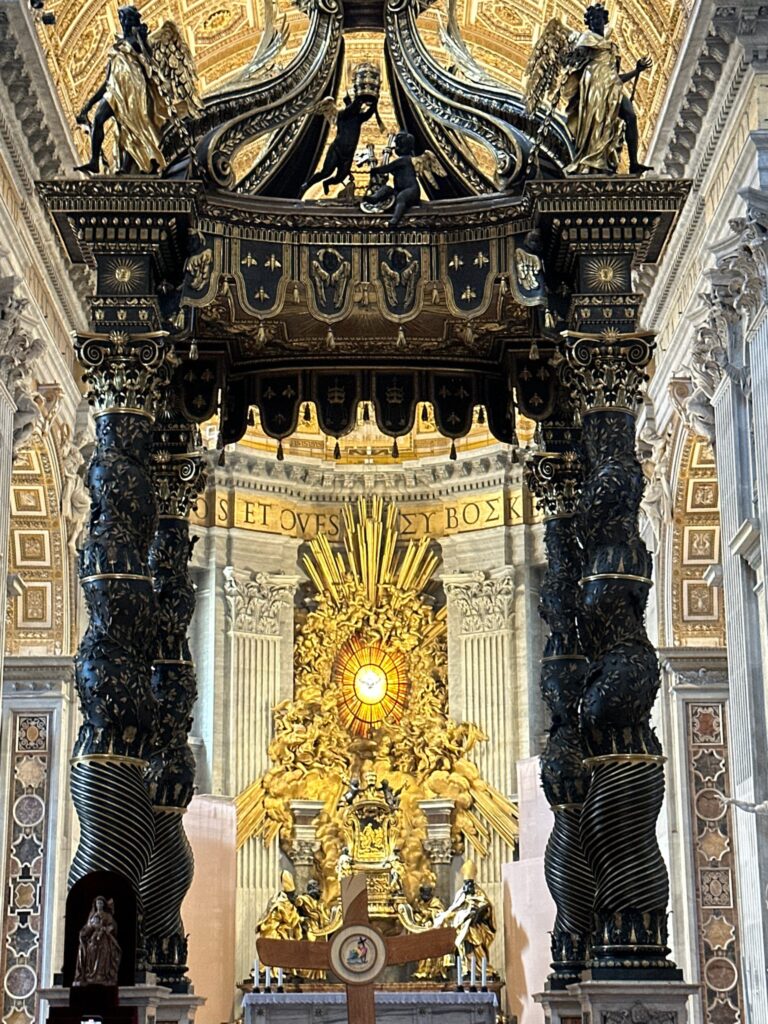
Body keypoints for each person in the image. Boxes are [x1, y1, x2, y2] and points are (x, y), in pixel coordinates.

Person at [75, 6, 171, 174]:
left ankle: (125, 168)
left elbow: (150, 60)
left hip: (134, 89)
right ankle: (94, 161)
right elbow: (107, 81)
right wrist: (88, 105)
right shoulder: (116, 49)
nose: (124, 23)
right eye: (123, 19)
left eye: (127, 19)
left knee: (130, 127)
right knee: (98, 118)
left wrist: (142, 38)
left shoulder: (137, 39)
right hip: (115, 90)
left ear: (133, 21)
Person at [562, 3, 652, 175]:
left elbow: (616, 78)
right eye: (592, 19)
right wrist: (571, 57)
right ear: (589, 23)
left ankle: (634, 163)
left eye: (598, 18)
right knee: (596, 122)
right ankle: (591, 159)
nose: (596, 22)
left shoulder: (612, 47)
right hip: (595, 84)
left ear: (604, 20)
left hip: (611, 87)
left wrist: (637, 71)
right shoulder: (587, 39)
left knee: (631, 116)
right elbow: (574, 58)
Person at [366, 132, 421, 228]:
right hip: (399, 190)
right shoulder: (402, 162)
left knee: (401, 197)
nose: (395, 148)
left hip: (411, 190)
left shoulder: (404, 160)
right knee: (386, 189)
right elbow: (394, 172)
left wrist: (375, 170)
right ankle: (375, 198)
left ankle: (395, 219)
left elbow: (388, 168)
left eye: (397, 146)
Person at [73, 896, 121, 986]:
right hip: (93, 939)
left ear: (103, 904)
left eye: (101, 903)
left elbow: (112, 926)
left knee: (104, 950)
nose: (99, 905)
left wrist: (105, 929)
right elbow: (87, 927)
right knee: (89, 950)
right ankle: (89, 974)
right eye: (97, 903)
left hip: (104, 938)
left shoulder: (107, 915)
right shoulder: (92, 916)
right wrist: (89, 928)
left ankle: (101, 975)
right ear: (95, 904)